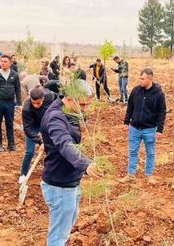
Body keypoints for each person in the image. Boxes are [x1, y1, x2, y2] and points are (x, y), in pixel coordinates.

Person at [40, 79, 102, 246]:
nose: (84, 110)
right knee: (58, 234)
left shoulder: (69, 110)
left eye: (87, 105)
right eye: (82, 105)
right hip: (59, 185)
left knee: (68, 221)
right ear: (69, 98)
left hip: (70, 181)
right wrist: (86, 164)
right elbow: (65, 145)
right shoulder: (56, 118)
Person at [120, 68, 167, 184]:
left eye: (143, 78)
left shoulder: (159, 94)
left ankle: (149, 175)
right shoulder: (136, 91)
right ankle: (131, 174)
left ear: (150, 79)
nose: (140, 80)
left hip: (150, 129)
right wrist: (126, 122)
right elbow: (130, 107)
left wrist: (160, 129)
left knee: (150, 152)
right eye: (140, 78)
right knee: (132, 151)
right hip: (135, 128)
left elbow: (162, 111)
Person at [19, 87, 57, 183]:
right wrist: (40, 141)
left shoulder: (49, 96)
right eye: (33, 103)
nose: (35, 105)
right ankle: (23, 175)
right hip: (33, 126)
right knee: (29, 152)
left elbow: (59, 100)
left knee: (53, 149)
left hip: (47, 123)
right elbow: (27, 129)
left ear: (43, 99)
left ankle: (52, 172)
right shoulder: (27, 108)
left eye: (38, 103)